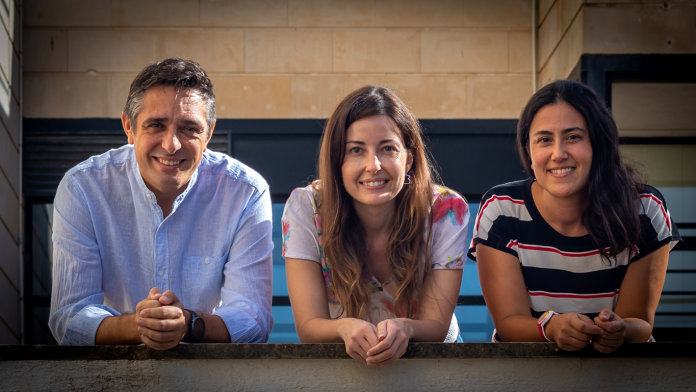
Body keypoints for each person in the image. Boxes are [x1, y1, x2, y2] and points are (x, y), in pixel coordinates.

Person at [49, 58, 273, 348]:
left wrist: (189, 323)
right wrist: (140, 326)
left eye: (190, 128)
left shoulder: (246, 193)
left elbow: (253, 319)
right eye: (156, 125)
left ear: (209, 133)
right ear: (129, 127)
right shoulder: (83, 188)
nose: (172, 145)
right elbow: (69, 317)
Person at [469, 80, 682, 353]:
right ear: (529, 151)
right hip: (524, 373)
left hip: (623, 373)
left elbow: (639, 322)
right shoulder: (501, 209)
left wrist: (619, 330)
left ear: (599, 145)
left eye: (573, 137)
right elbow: (509, 323)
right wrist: (551, 328)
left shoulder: (644, 209)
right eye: (544, 140)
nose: (558, 154)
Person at [282, 86, 469, 366]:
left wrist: (406, 327)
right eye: (356, 150)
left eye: (388, 148)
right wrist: (342, 327)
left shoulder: (446, 210)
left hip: (433, 361)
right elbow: (309, 327)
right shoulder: (306, 208)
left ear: (410, 158)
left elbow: (435, 326)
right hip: (348, 364)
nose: (373, 165)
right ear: (337, 161)